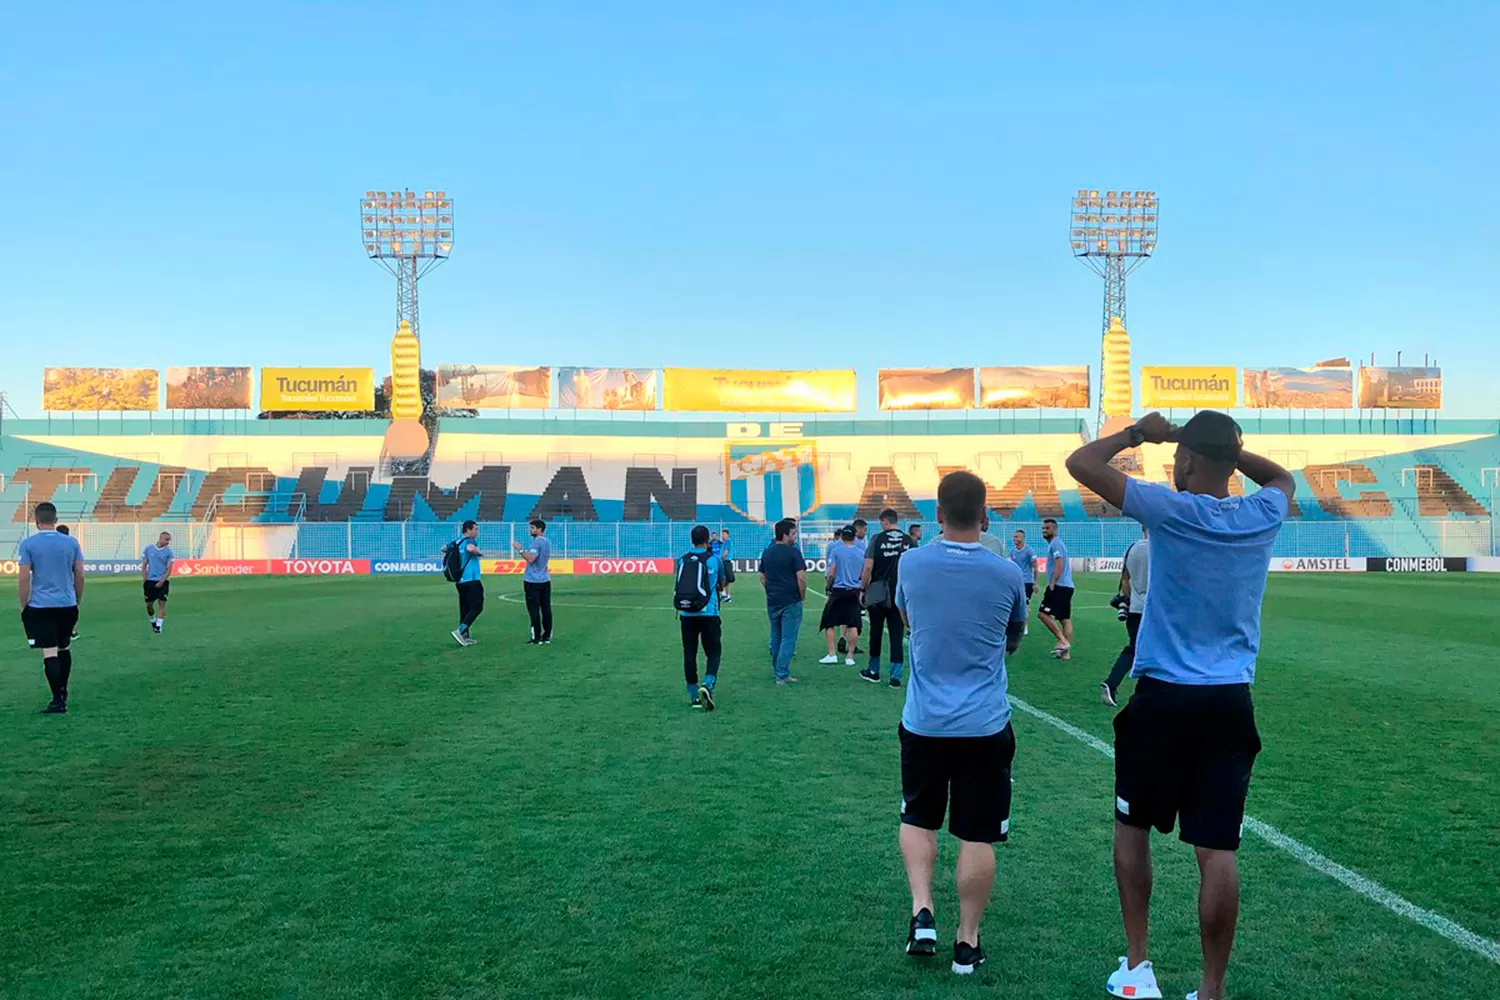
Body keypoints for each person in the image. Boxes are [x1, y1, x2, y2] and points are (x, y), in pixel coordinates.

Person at [1065, 411, 1294, 1000]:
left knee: (1132, 826)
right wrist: (1225, 449)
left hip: (1165, 696)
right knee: (1217, 849)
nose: (1171, 465)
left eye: (1178, 458)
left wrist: (1141, 435)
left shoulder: (1169, 509)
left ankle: (1138, 969)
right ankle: (1211, 990)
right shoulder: (1260, 512)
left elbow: (1081, 464)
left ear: (1188, 459)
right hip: (1228, 701)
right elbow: (1284, 479)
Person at [894, 471, 1027, 975]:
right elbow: (1014, 636)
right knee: (977, 834)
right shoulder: (1007, 573)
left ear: (939, 516)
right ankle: (966, 942)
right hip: (985, 725)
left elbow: (909, 619)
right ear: (986, 517)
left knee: (918, 817)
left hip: (925, 721)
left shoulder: (912, 563)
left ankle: (922, 912)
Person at [17, 502, 85, 715]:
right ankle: (63, 692)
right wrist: (77, 599)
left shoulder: (28, 544)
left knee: (49, 652)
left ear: (36, 521)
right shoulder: (71, 543)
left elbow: (23, 577)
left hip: (41, 605)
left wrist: (23, 603)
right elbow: (80, 574)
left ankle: (57, 700)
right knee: (64, 647)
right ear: (55, 520)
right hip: (67, 603)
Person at [860, 508, 910, 687]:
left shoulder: (877, 539)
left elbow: (867, 567)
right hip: (900, 593)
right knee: (897, 634)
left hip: (878, 592)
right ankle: (895, 677)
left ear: (885, 522)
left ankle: (873, 671)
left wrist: (862, 588)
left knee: (876, 631)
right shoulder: (908, 541)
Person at [1101, 527, 1149, 707]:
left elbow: (1125, 580)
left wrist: (1128, 601)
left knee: (1134, 648)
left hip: (1136, 609)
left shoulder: (1133, 548)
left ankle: (1112, 683)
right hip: (1155, 611)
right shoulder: (1163, 547)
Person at [677, 525, 723, 710]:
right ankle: (708, 683)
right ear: (707, 540)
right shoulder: (713, 560)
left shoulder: (682, 560)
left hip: (686, 613)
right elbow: (724, 580)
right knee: (713, 651)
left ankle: (693, 694)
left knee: (689, 652)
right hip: (708, 612)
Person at [759, 518, 805, 685]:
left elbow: (762, 576)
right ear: (785, 535)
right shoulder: (793, 552)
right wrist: (802, 595)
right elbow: (801, 577)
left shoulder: (767, 552)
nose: (795, 537)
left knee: (776, 636)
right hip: (790, 600)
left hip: (773, 600)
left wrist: (770, 590)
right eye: (793, 533)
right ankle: (782, 674)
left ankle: (777, 670)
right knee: (788, 638)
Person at [819, 526, 864, 665]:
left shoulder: (836, 551)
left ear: (842, 537)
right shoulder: (861, 553)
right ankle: (850, 656)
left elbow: (831, 571)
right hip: (854, 590)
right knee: (853, 623)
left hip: (839, 590)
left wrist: (829, 585)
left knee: (829, 622)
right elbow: (864, 573)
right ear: (854, 537)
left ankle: (832, 654)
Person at [1037, 518, 1074, 659]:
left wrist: (1052, 582)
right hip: (1067, 586)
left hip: (1059, 586)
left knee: (1042, 614)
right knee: (1064, 619)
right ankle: (1065, 653)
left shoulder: (1055, 544)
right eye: (1043, 528)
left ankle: (1062, 641)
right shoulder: (1056, 544)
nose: (1044, 531)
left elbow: (1059, 563)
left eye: (1047, 528)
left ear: (1055, 529)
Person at [513, 519, 553, 644]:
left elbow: (531, 558)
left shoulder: (536, 543)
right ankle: (546, 636)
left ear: (539, 529)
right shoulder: (547, 541)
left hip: (533, 580)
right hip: (545, 579)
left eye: (532, 528)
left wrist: (520, 550)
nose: (530, 530)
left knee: (534, 609)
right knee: (546, 608)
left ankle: (536, 637)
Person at [449, 520, 484, 646]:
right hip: (472, 579)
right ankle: (460, 631)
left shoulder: (457, 541)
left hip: (460, 580)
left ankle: (464, 636)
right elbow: (470, 548)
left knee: (465, 608)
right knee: (477, 607)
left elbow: (444, 548)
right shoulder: (469, 540)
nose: (476, 532)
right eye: (475, 529)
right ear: (468, 530)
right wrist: (479, 553)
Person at [141, 530, 175, 633]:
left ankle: (158, 627)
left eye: (169, 540)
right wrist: (145, 579)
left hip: (163, 581)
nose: (168, 542)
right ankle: (153, 620)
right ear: (160, 538)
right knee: (149, 605)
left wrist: (162, 581)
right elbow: (144, 565)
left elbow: (169, 569)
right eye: (166, 539)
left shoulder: (169, 552)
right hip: (150, 582)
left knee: (162, 603)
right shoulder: (148, 549)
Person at [1008, 530, 1038, 636]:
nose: (1014, 539)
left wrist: (1035, 582)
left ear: (1022, 538)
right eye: (1013, 537)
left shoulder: (1029, 551)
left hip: (1027, 582)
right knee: (1012, 604)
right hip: (1016, 581)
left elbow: (1035, 566)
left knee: (1025, 605)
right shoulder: (1012, 551)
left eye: (1016, 537)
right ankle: (1013, 625)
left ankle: (1024, 626)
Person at [56, 525, 79, 640]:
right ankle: (73, 631)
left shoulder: (53, 545)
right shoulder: (72, 544)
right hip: (69, 582)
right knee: (72, 605)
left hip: (53, 583)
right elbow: (78, 567)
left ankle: (56, 630)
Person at [712, 528, 736, 603]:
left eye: (724, 534)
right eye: (722, 534)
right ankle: (726, 595)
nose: (722, 536)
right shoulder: (724, 543)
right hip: (725, 561)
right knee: (727, 578)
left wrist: (720, 560)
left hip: (725, 561)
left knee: (727, 578)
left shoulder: (727, 542)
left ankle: (724, 594)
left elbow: (725, 553)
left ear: (727, 535)